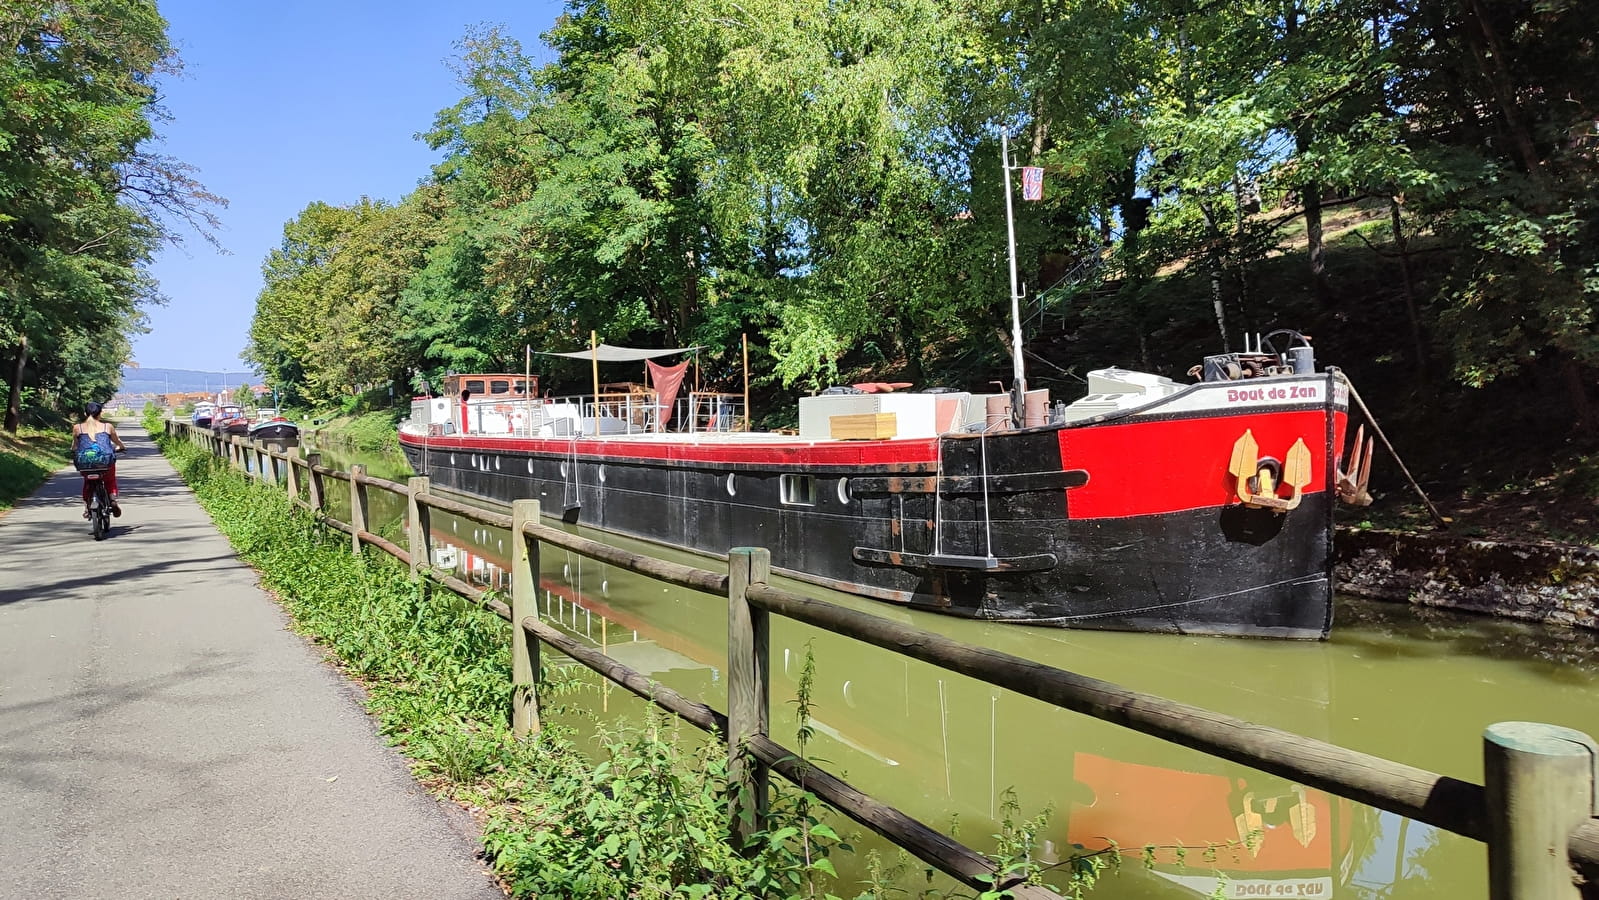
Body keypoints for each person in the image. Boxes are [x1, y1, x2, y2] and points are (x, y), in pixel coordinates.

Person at [73, 402, 128, 518]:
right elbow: (117, 441)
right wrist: (121, 447)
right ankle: (112, 499)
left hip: (85, 464)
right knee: (110, 480)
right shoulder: (107, 427)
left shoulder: (78, 428)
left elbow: (75, 446)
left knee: (88, 483)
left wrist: (73, 451)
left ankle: (86, 508)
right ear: (100, 414)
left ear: (85, 413)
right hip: (105, 463)